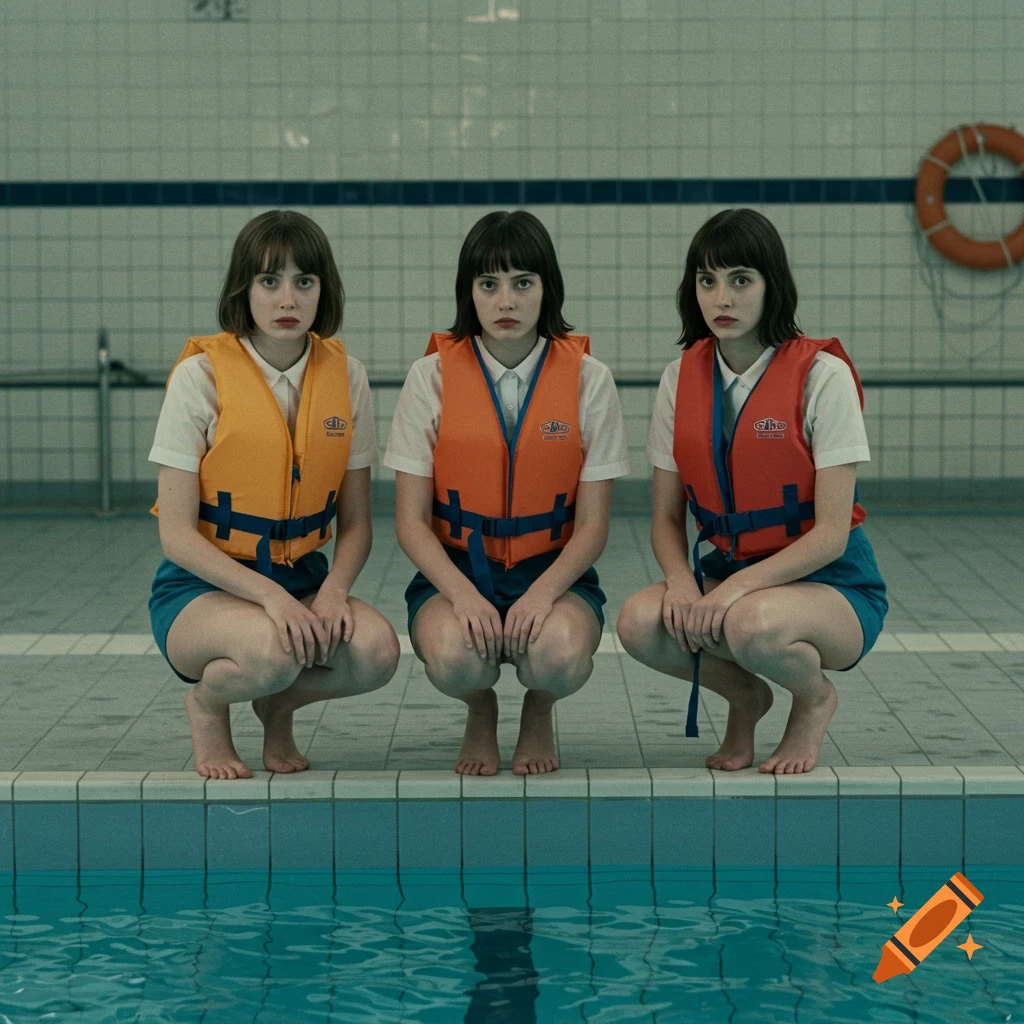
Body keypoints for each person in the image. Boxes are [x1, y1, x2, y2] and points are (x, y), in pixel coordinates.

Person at [616, 208, 887, 775]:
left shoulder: (822, 377)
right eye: (707, 281)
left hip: (835, 588)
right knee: (642, 621)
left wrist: (727, 593)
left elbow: (832, 535)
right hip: (733, 575)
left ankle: (813, 699)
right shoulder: (680, 377)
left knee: (749, 624)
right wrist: (684, 585)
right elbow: (667, 519)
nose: (723, 298)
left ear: (772, 285)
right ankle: (746, 698)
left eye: (741, 280)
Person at [148, 210, 400, 780]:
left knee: (377, 652)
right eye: (269, 281)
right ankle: (209, 706)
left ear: (323, 291)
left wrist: (333, 593)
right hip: (202, 589)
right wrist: (271, 598)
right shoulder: (201, 377)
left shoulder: (347, 375)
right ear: (245, 289)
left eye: (303, 281)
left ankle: (278, 705)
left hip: (302, 577)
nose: (287, 296)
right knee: (274, 651)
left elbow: (357, 523)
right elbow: (176, 535)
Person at [385, 210, 629, 776]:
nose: (506, 302)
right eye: (488, 284)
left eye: (523, 283)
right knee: (455, 658)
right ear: (469, 293)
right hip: (456, 573)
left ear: (548, 289)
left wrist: (543, 595)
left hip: (553, 572)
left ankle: (539, 708)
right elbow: (410, 521)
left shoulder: (591, 379)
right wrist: (462, 595)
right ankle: (480, 706)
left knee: (558, 658)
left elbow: (592, 526)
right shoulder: (432, 378)